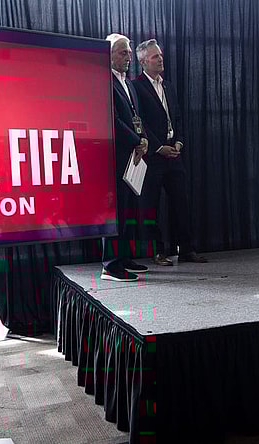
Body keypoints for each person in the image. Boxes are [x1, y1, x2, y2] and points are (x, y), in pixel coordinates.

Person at [131, 39, 207, 265]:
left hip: (174, 154)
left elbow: (178, 118)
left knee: (181, 203)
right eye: (155, 57)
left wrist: (179, 143)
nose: (160, 59)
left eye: (160, 55)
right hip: (153, 157)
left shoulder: (168, 86)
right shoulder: (136, 87)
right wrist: (157, 147)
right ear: (143, 61)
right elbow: (140, 122)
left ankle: (186, 249)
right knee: (151, 206)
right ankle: (158, 251)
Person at [101, 33, 150, 282]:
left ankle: (123, 257)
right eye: (123, 52)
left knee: (129, 211)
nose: (129, 57)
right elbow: (112, 120)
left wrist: (142, 140)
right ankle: (110, 265)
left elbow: (134, 117)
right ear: (108, 55)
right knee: (115, 212)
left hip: (133, 155)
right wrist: (135, 140)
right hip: (116, 157)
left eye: (129, 52)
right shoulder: (103, 81)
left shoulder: (128, 83)